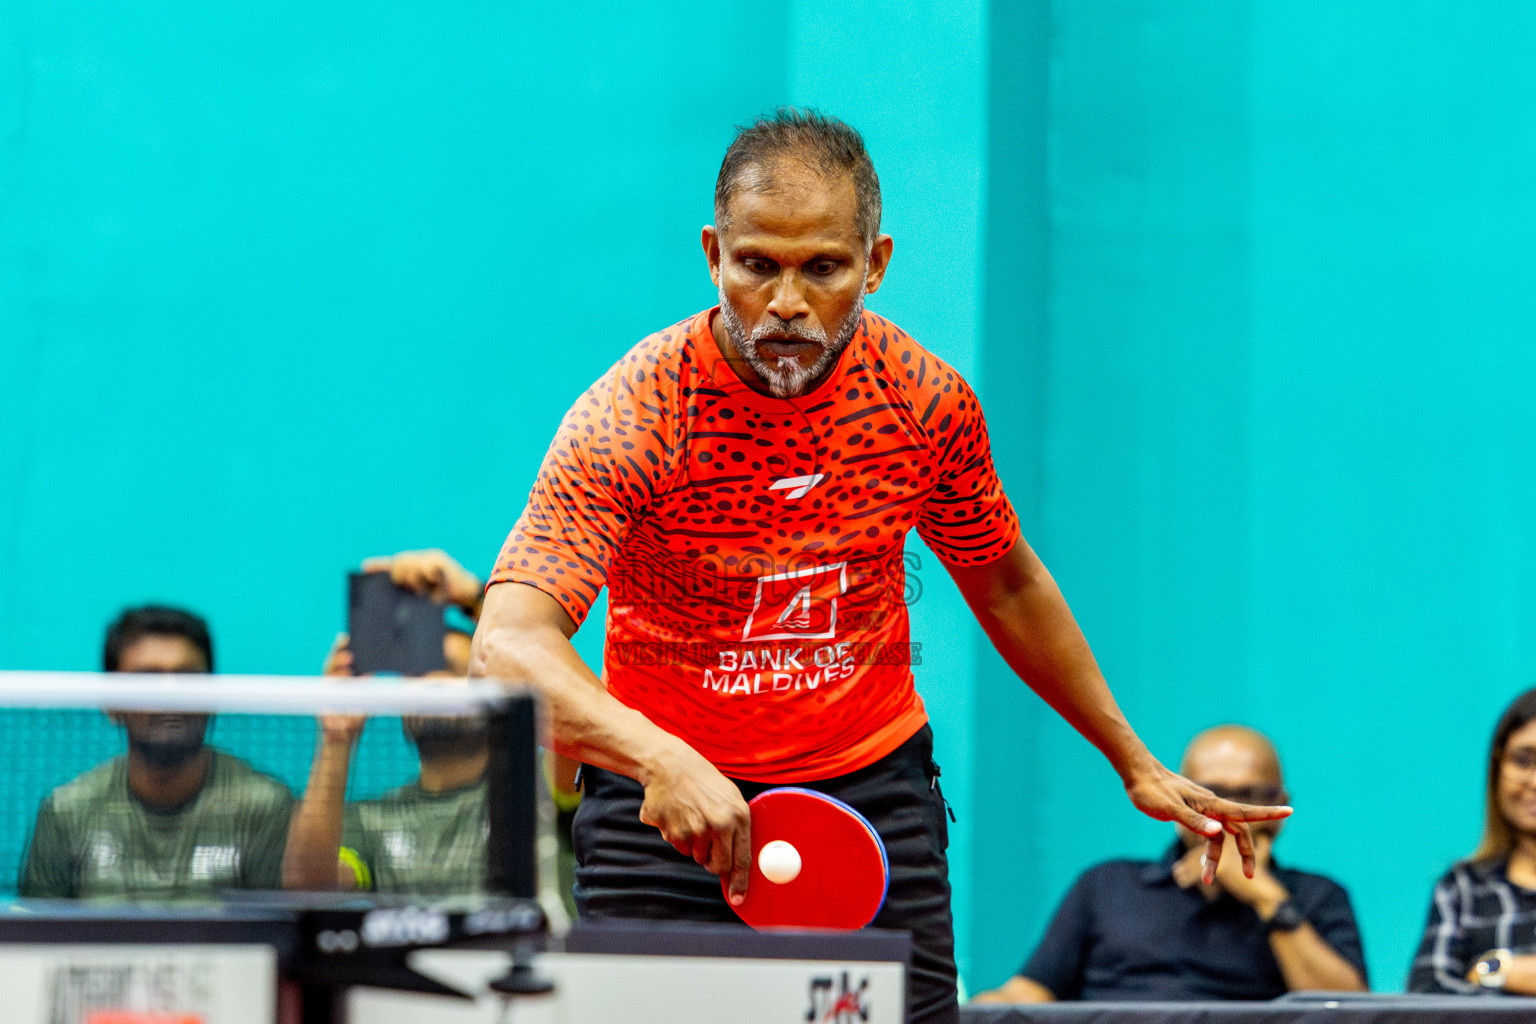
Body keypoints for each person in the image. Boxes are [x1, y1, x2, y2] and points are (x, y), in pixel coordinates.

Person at [468, 108, 1288, 1023]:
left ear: (876, 262)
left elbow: (1004, 579)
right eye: (757, 265)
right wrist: (658, 754)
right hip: (666, 809)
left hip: (866, 791)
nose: (787, 301)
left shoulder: (923, 405)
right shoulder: (637, 414)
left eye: (823, 267)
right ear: (713, 253)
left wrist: (1129, 758)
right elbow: (506, 649)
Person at [973, 726, 1366, 1003]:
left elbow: (1347, 1012)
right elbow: (1032, 990)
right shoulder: (1106, 885)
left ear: (1279, 808)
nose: (1228, 810)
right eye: (1208, 793)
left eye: (1249, 795)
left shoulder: (1317, 897)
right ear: (1176, 802)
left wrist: (1264, 894)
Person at [282, 549, 581, 898]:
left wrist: (474, 597)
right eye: (422, 672)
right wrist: (336, 737)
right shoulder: (369, 821)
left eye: (456, 671)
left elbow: (564, 700)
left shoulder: (538, 793)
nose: (436, 686)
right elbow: (307, 885)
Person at [18, 606, 294, 899]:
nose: (170, 696)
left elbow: (281, 932)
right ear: (112, 704)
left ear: (214, 697)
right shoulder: (67, 811)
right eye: (147, 678)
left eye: (188, 677)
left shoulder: (265, 807)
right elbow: (38, 938)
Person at [1409, 688, 1536, 994]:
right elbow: (1427, 999)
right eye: (1523, 761)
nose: (1534, 781)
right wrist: (1501, 970)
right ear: (1497, 768)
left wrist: (1495, 970)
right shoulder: (1463, 889)